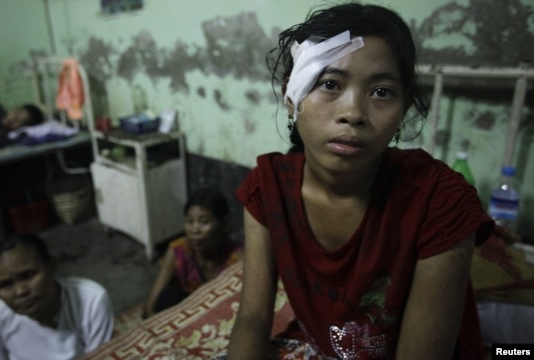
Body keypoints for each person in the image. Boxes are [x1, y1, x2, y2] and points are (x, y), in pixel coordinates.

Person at [227, 3, 495, 360]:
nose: (353, 113)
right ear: (291, 98)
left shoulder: (440, 202)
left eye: (381, 92)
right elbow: (253, 319)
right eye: (330, 84)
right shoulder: (267, 191)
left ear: (403, 109)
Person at [0, 233, 114, 360]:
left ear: (51, 266)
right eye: (6, 284)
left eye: (27, 275)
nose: (20, 291)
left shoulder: (91, 301)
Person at [143, 188, 243, 318]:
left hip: (221, 316)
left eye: (204, 222)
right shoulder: (178, 252)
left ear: (224, 224)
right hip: (186, 315)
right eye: (190, 221)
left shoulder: (238, 258)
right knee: (167, 298)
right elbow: (150, 305)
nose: (195, 230)